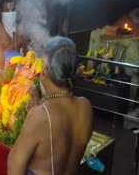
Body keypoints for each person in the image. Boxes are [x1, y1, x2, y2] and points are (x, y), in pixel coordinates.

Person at [7, 36, 93, 175]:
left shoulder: (39, 116)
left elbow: (14, 165)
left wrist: (34, 114)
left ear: (44, 74)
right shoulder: (86, 106)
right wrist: (37, 111)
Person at [0, 0, 25, 68]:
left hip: (19, 70)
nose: (10, 13)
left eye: (12, 10)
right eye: (7, 11)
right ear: (2, 13)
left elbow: (26, 52)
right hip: (2, 69)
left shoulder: (21, 29)